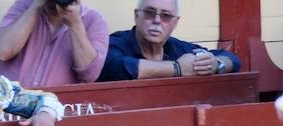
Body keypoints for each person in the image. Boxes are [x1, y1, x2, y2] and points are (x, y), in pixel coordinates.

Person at [98, 0, 240, 82]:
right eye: (149, 12)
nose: (157, 20)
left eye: (166, 16)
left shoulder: (177, 47)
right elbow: (117, 67)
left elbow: (233, 59)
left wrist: (216, 64)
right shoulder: (115, 43)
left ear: (175, 22)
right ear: (136, 15)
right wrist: (177, 68)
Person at [0, 0, 109, 86]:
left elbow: (90, 75)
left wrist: (75, 24)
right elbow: (2, 53)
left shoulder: (93, 20)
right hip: (11, 108)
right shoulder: (24, 6)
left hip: (58, 112)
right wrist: (35, 7)